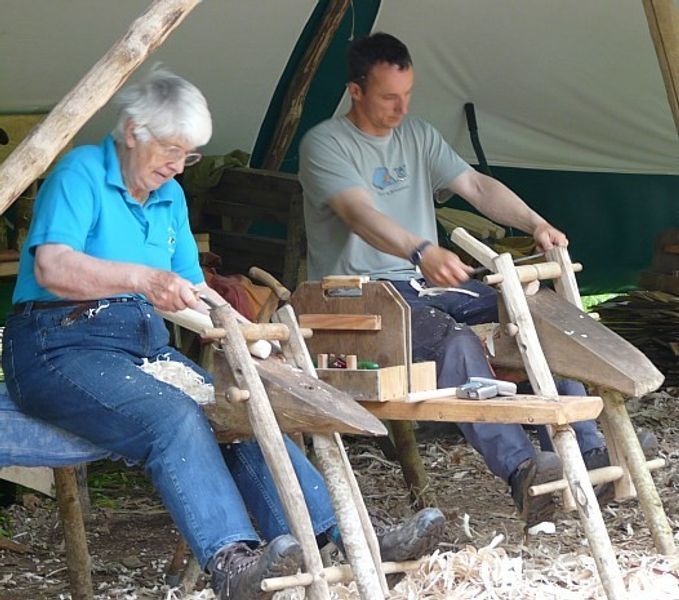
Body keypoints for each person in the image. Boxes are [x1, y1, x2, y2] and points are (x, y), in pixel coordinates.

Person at [1, 67, 445, 599]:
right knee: (174, 415)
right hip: (58, 345)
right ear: (132, 131)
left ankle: (350, 538)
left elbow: (192, 288)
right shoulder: (81, 173)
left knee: (242, 404)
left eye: (188, 156)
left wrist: (235, 329)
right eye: (170, 150)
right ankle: (231, 562)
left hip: (141, 350)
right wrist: (141, 279)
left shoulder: (169, 197)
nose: (176, 166)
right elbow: (51, 267)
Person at [299, 33, 656, 528]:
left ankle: (590, 451)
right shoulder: (325, 144)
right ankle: (523, 472)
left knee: (533, 308)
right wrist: (421, 249)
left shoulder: (418, 135)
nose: (401, 107)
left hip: (424, 283)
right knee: (451, 338)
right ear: (356, 91)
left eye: (407, 94)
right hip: (360, 295)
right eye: (388, 97)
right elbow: (357, 214)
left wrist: (535, 223)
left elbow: (477, 186)